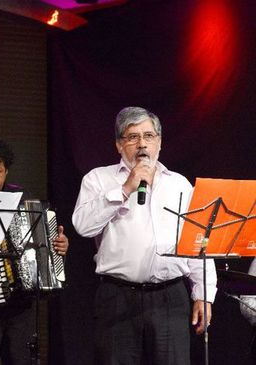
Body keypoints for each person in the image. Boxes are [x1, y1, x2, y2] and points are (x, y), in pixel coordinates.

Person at [72, 106, 217, 364]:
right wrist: (126, 187)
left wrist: (204, 294)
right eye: (132, 136)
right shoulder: (98, 179)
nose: (142, 144)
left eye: (149, 136)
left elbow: (198, 243)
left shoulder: (179, 184)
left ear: (159, 142)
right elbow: (83, 226)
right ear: (119, 145)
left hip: (170, 297)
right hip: (117, 298)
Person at [0, 136, 69, 365]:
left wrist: (58, 245)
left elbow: (43, 244)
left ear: (6, 171)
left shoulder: (21, 198)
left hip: (20, 304)